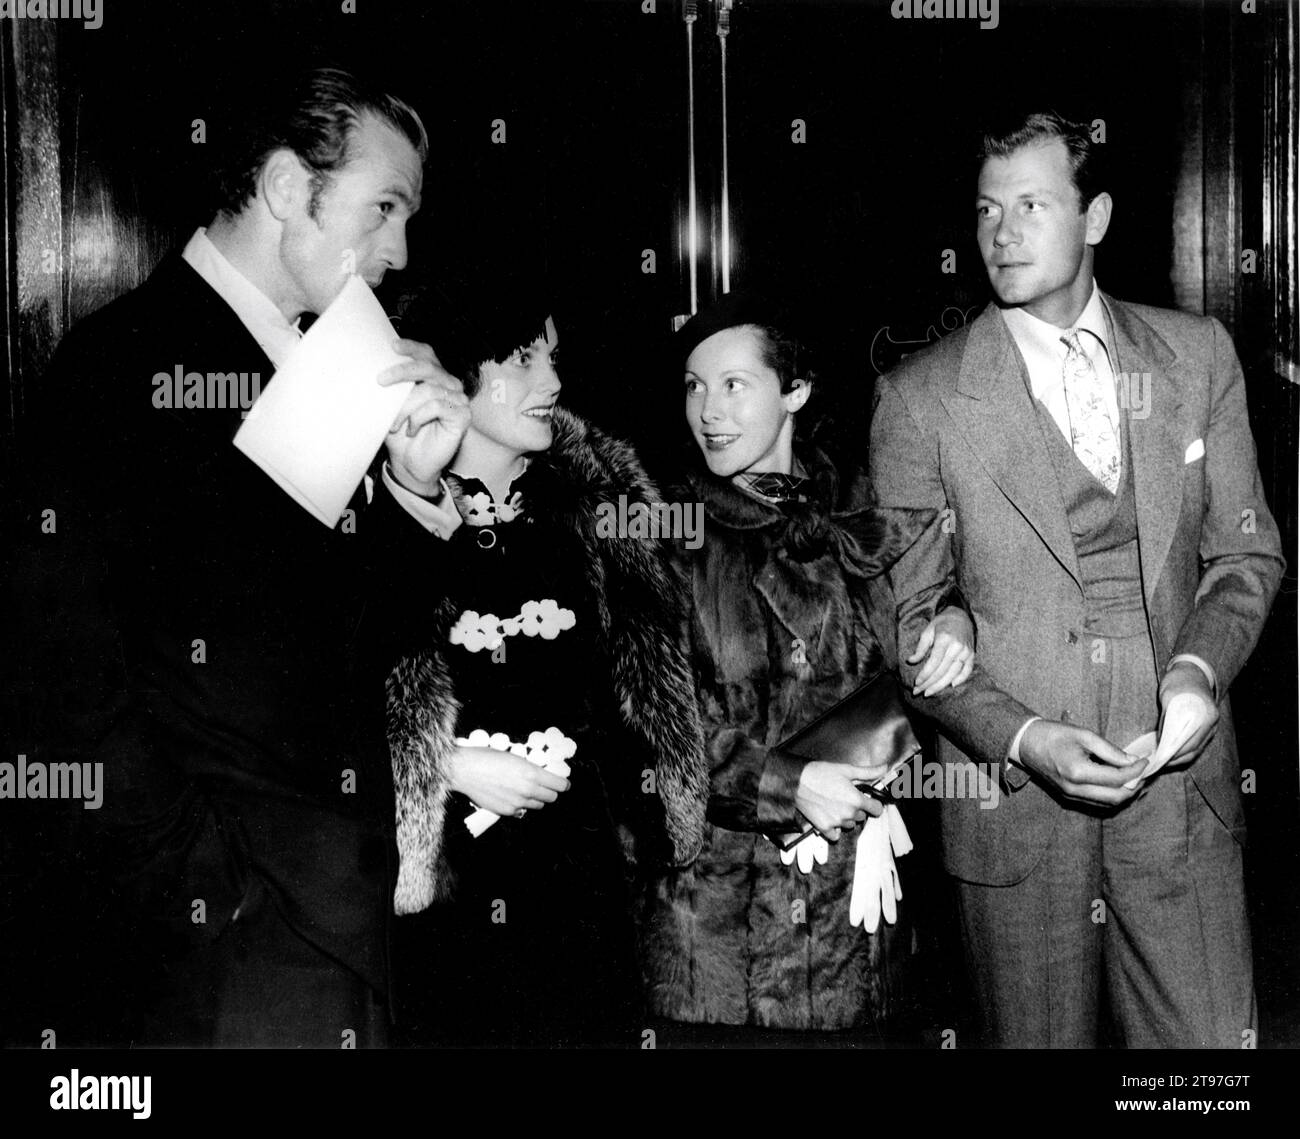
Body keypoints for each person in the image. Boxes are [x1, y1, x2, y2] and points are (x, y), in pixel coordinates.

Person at [25, 68, 474, 1047]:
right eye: (383, 208)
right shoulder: (122, 362)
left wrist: (412, 486)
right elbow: (62, 675)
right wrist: (203, 877)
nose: (398, 251)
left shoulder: (322, 361)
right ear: (283, 187)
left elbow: (345, 640)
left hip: (329, 913)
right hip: (227, 941)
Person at [869, 111, 1285, 1047]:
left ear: (1094, 217)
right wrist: (1022, 736)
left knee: (1205, 1069)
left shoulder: (1195, 356)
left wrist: (1197, 674)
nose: (1002, 234)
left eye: (1031, 204)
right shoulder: (921, 397)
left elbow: (1246, 552)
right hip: (1014, 802)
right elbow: (912, 621)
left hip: (1178, 779)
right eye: (986, 210)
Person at [383, 273, 708, 1048]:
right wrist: (440, 764)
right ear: (460, 369)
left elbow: (642, 699)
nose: (553, 382)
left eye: (552, 358)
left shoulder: (600, 508)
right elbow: (306, 702)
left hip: (576, 882)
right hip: (435, 888)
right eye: (524, 358)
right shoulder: (378, 508)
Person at [640, 293, 976, 1038]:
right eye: (694, 386)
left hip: (865, 918)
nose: (708, 410)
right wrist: (789, 784)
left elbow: (925, 620)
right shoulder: (666, 531)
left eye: (733, 384)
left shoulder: (867, 510)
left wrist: (956, 617)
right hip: (726, 943)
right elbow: (651, 738)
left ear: (795, 390)